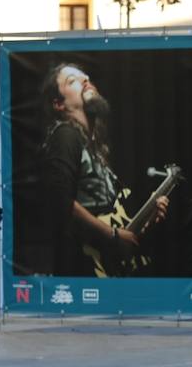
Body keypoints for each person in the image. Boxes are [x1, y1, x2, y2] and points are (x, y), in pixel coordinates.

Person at [40, 63, 168, 276]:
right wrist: (113, 235)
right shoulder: (65, 135)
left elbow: (110, 217)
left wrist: (147, 219)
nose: (85, 80)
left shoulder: (92, 144)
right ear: (58, 104)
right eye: (72, 81)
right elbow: (61, 201)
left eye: (85, 77)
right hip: (86, 271)